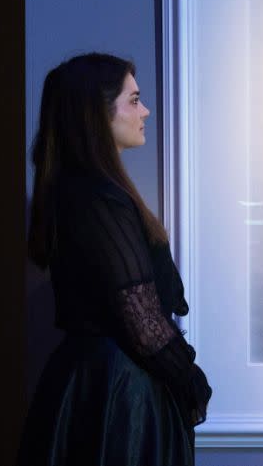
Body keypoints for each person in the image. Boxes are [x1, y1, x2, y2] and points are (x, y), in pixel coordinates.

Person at [17, 53, 211, 465]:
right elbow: (139, 319)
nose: (145, 111)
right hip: (118, 394)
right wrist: (190, 380)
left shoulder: (83, 192)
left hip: (105, 385)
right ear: (97, 115)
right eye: (133, 100)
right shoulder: (97, 198)